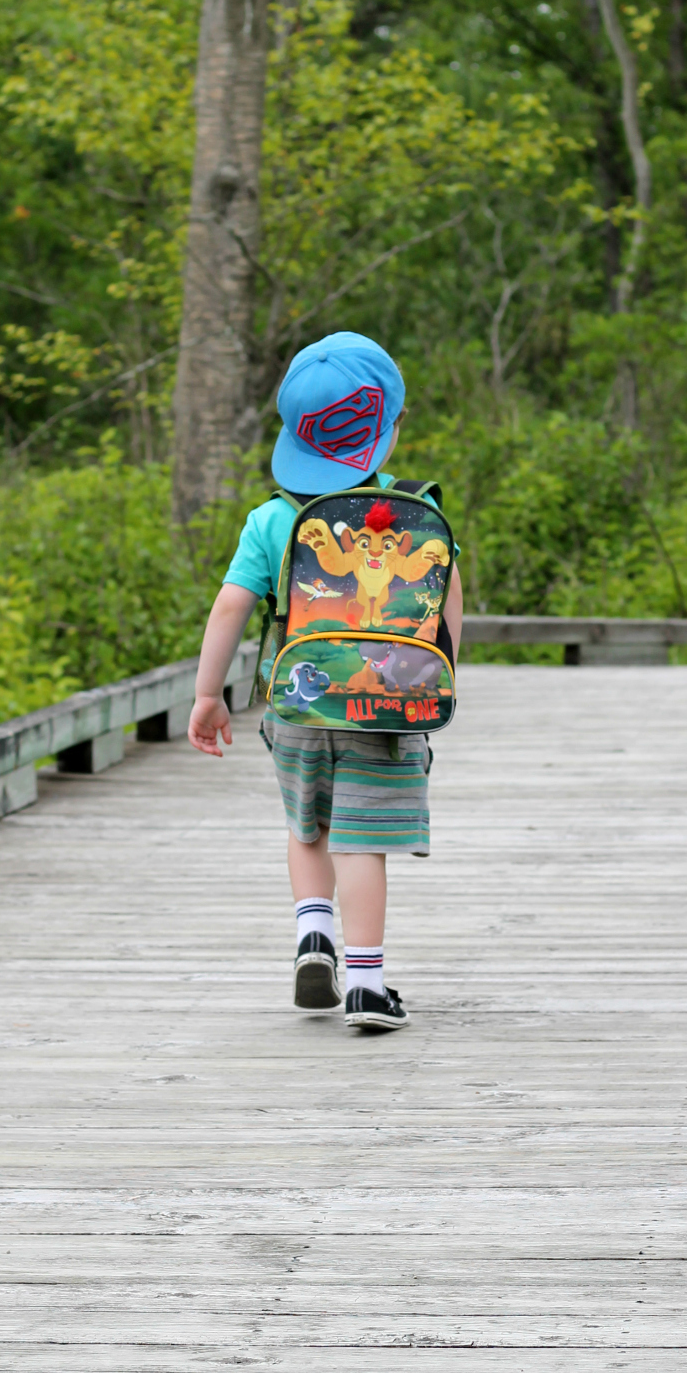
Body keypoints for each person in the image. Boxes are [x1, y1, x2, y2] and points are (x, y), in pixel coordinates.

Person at [187, 331, 463, 1033]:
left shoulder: (272, 519)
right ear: (387, 432)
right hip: (384, 705)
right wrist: (435, 676)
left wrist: (207, 694)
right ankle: (367, 985)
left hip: (300, 706)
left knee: (307, 827)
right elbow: (447, 603)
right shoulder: (413, 512)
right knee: (360, 840)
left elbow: (230, 607)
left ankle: (315, 936)